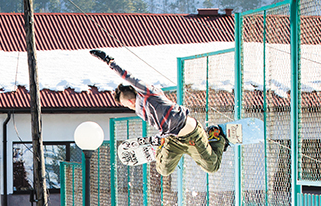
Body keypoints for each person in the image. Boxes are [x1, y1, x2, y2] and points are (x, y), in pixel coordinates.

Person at [90, 49, 229, 177]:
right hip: (172, 139)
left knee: (212, 166)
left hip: (190, 132)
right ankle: (160, 144)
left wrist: (109, 62)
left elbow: (128, 77)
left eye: (127, 101)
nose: (130, 104)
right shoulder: (140, 111)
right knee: (163, 170)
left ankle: (215, 136)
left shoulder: (147, 92)